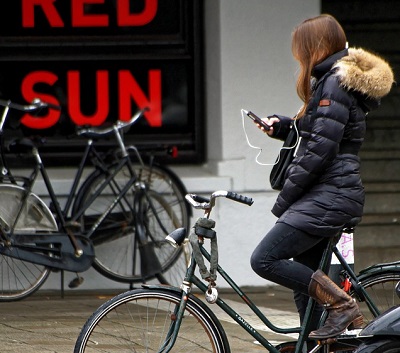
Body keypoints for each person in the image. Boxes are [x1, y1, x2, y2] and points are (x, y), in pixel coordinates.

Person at [250, 14, 394, 339]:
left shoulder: (335, 81)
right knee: (307, 290)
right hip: (330, 191)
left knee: (264, 259)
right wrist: (284, 126)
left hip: (331, 193)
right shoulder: (331, 80)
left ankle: (342, 305)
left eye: (300, 49)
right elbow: (322, 131)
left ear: (315, 46)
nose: (298, 57)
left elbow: (320, 149)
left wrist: (286, 196)